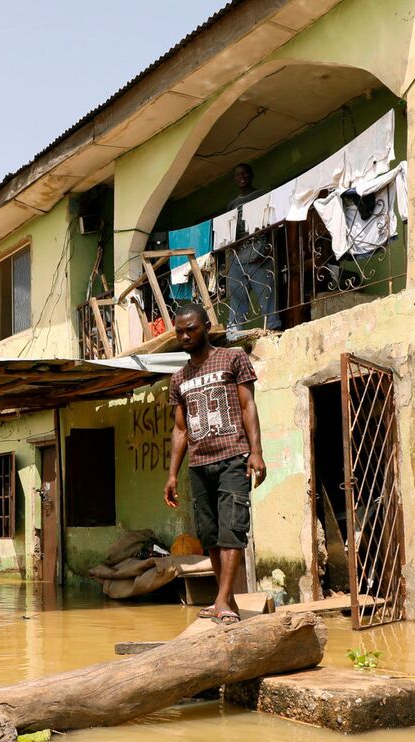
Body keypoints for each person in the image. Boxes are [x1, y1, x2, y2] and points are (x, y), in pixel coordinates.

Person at [162, 302, 266, 624]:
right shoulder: (178, 378)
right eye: (179, 330)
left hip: (233, 457)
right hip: (198, 465)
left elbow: (248, 406)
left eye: (191, 328)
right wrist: (172, 475)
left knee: (231, 530)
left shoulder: (233, 357)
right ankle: (228, 601)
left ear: (206, 326)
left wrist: (256, 451)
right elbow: (181, 429)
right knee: (209, 536)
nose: (185, 335)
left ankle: (220, 599)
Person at [225, 163, 281, 335]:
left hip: (259, 250)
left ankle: (273, 327)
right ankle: (234, 333)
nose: (241, 176)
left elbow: (271, 220)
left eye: (244, 173)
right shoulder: (232, 204)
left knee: (265, 292)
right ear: (234, 179)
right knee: (236, 296)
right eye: (237, 174)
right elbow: (228, 229)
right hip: (237, 256)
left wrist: (270, 248)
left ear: (251, 175)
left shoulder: (261, 195)